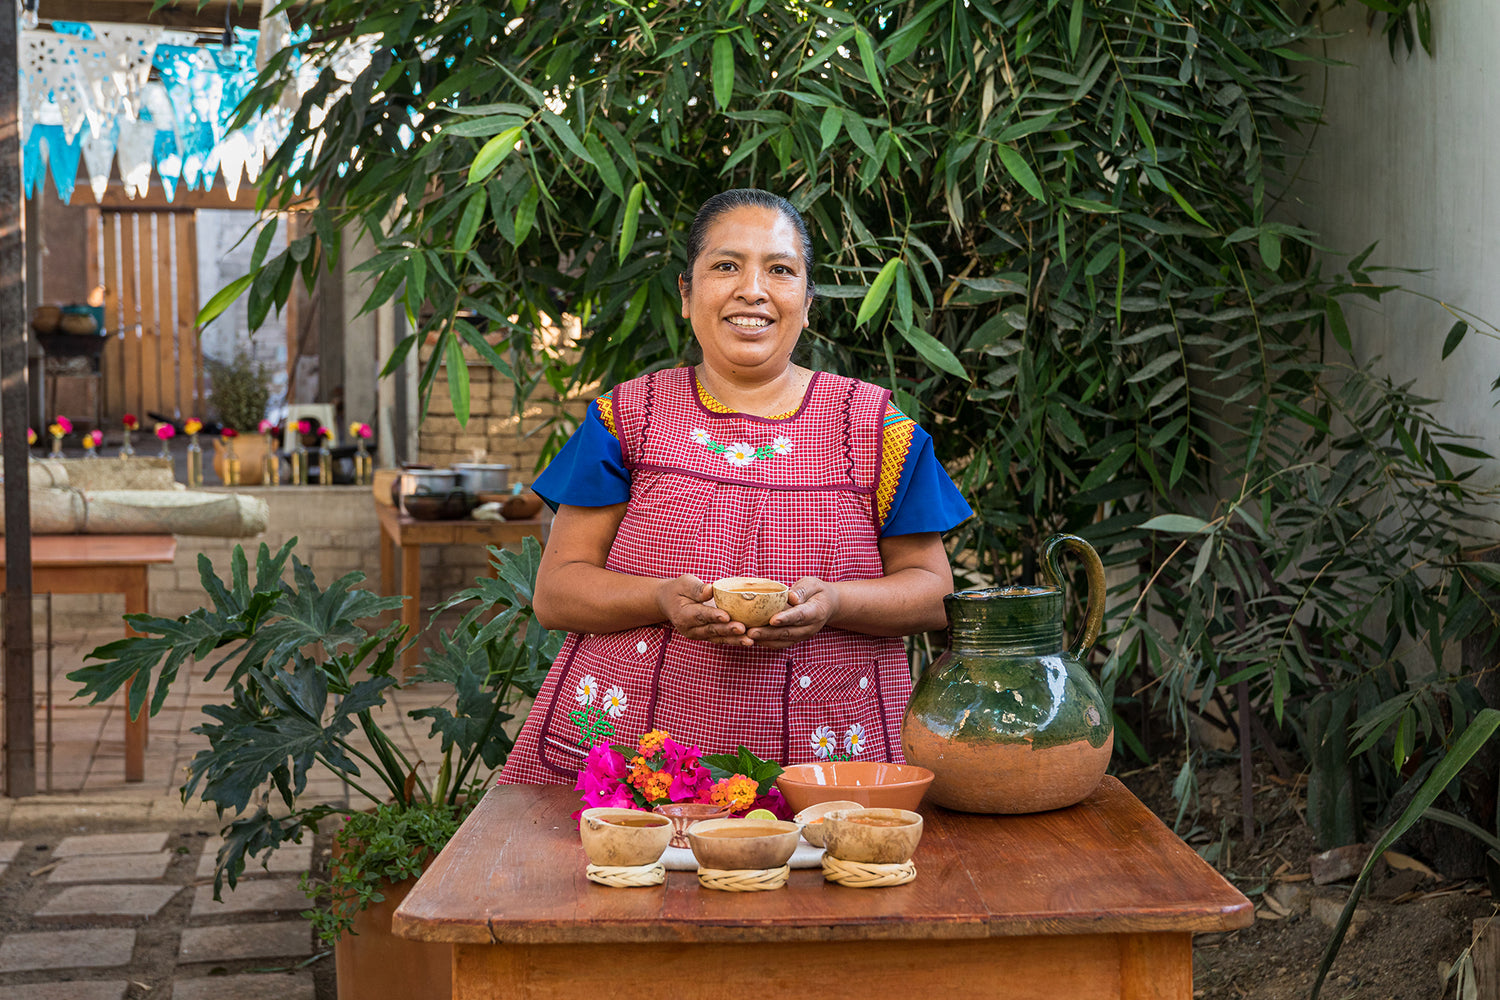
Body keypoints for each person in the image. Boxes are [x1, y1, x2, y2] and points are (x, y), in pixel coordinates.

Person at [498, 189, 971, 786]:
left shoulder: (878, 428)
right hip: (639, 761)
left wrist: (835, 604)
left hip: (823, 757)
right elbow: (557, 593)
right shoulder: (626, 417)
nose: (753, 289)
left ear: (807, 298)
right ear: (685, 292)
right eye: (726, 266)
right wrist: (661, 599)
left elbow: (933, 594)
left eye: (780, 269)